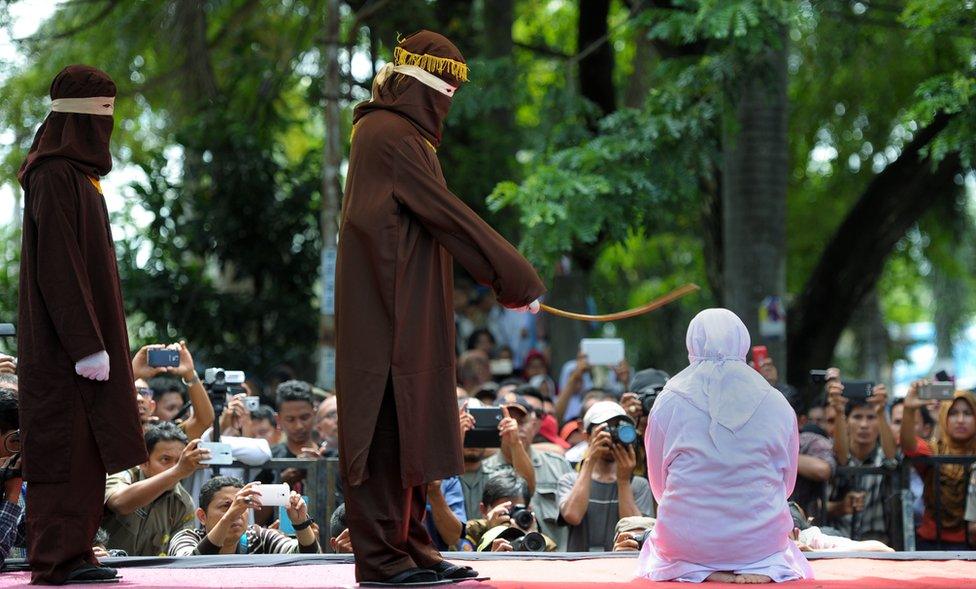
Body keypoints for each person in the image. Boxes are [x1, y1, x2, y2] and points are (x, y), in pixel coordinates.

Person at [335, 29, 545, 586]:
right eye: (447, 91)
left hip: (407, 308)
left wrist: (509, 283)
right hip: (387, 313)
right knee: (384, 432)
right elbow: (450, 216)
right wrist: (515, 279)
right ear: (427, 87)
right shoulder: (390, 134)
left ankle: (410, 548)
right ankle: (382, 560)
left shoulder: (400, 134)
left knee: (409, 430)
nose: (450, 104)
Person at [17, 65, 146, 585]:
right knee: (62, 448)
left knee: (88, 451)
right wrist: (85, 345)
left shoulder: (78, 176)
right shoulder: (52, 175)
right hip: (62, 351)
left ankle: (78, 552)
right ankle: (56, 559)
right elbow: (59, 268)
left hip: (83, 348)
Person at [637, 308, 812, 584]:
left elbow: (659, 486)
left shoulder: (668, 399)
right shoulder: (776, 401)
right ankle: (759, 565)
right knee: (779, 549)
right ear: (743, 342)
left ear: (691, 343)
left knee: (662, 553)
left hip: (686, 543)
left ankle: (698, 569)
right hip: (761, 544)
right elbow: (786, 485)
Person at [558, 401, 653, 552]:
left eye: (617, 427)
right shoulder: (569, 480)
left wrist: (623, 481)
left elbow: (636, 530)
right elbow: (572, 515)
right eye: (605, 428)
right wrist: (590, 461)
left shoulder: (638, 485)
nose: (611, 435)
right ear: (587, 436)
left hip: (619, 567)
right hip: (578, 569)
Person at [101, 423, 208, 556]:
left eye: (179, 461)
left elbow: (181, 551)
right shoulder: (124, 474)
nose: (174, 467)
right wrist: (178, 470)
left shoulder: (183, 504)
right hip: (105, 570)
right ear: (144, 461)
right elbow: (119, 503)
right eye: (165, 459)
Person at [901, 383, 976, 549]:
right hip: (931, 544)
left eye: (968, 413)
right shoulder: (933, 450)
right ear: (944, 417)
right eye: (954, 413)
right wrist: (908, 409)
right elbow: (907, 445)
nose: (961, 420)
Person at [167, 477, 320, 555]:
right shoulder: (186, 538)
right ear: (202, 516)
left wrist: (300, 524)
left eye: (243, 505)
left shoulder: (260, 538)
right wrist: (229, 516)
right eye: (226, 506)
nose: (238, 512)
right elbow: (189, 566)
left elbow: (306, 559)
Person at [828, 387, 896, 543]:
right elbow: (841, 456)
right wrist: (838, 411)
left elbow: (892, 459)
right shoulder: (835, 454)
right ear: (847, 422)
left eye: (871, 417)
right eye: (857, 417)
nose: (864, 424)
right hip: (838, 541)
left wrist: (880, 411)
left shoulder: (883, 455)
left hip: (877, 544)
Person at [464, 472, 557, 552]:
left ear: (529, 510)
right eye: (504, 513)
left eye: (518, 511)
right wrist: (492, 533)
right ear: (484, 510)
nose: (512, 519)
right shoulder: (470, 532)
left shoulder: (544, 543)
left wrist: (529, 542)